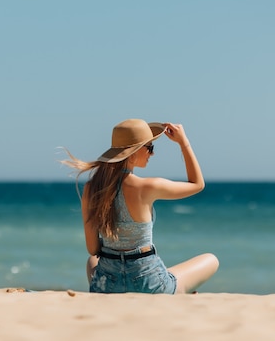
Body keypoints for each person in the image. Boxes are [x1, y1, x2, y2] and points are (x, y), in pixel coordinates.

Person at [62, 118, 219, 294]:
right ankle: (178, 291)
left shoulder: (92, 188)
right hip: (148, 283)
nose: (151, 154)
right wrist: (184, 143)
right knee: (211, 260)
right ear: (134, 152)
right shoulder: (148, 186)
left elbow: (93, 249)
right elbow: (197, 184)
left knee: (92, 261)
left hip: (107, 284)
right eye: (150, 148)